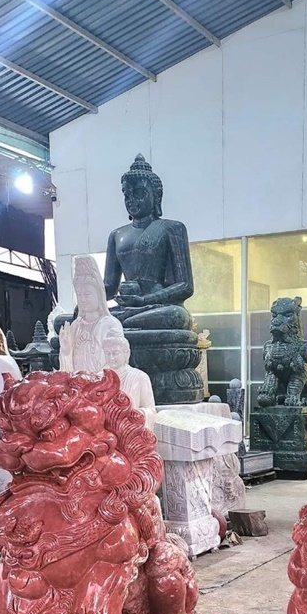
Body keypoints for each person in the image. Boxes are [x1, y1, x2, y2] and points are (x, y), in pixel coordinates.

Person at [103, 154, 194, 332]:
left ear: (157, 196)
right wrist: (87, 303)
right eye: (127, 195)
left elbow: (185, 286)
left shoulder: (171, 228)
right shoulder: (116, 235)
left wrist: (145, 300)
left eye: (139, 194)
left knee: (177, 316)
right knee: (64, 321)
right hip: (126, 308)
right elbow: (109, 288)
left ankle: (122, 326)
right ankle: (124, 325)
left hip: (157, 307)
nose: (131, 200)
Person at [59, 256, 122, 373]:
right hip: (77, 383)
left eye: (87, 294)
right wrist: (66, 351)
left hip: (102, 383)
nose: (82, 299)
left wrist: (95, 380)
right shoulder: (75, 326)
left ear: (99, 294)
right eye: (79, 294)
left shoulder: (110, 324)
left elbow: (117, 364)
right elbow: (66, 371)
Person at [102, 330, 157, 431]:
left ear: (126, 353)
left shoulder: (140, 377)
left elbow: (151, 411)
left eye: (115, 353)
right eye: (107, 353)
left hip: (129, 431)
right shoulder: (99, 378)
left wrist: (136, 414)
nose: (111, 357)